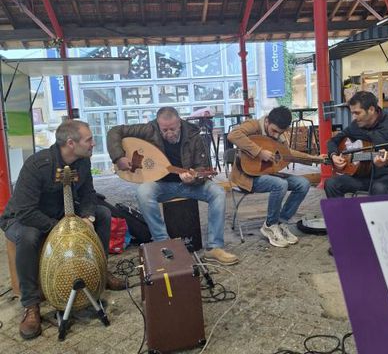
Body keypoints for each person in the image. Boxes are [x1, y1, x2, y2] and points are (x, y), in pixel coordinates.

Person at [0, 120, 125, 340]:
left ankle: (103, 273)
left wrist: (87, 217)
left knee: (104, 215)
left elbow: (88, 194)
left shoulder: (83, 162)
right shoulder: (36, 165)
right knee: (29, 237)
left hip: (61, 213)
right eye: (89, 139)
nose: (93, 144)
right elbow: (25, 211)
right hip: (23, 218)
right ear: (70, 143)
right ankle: (31, 305)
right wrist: (62, 229)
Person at [107, 106, 238, 266]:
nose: (169, 133)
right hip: (161, 185)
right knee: (143, 192)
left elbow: (202, 168)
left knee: (217, 192)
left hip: (188, 185)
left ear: (180, 123)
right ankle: (163, 244)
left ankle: (214, 247)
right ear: (158, 125)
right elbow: (114, 131)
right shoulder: (149, 129)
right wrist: (118, 157)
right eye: (165, 129)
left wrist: (193, 178)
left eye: (173, 129)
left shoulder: (193, 135)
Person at [227, 106, 310, 248]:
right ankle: (269, 225)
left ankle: (280, 222)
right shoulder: (254, 125)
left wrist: (314, 158)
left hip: (270, 174)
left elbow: (289, 154)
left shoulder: (279, 137)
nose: (277, 135)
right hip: (247, 176)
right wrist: (259, 152)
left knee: (303, 183)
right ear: (267, 121)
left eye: (281, 132)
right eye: (274, 131)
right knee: (280, 184)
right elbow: (233, 135)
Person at [325, 91, 388, 197]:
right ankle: (343, 214)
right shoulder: (355, 125)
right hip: (364, 176)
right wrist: (333, 155)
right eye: (352, 113)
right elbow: (333, 141)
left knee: (379, 188)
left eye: (357, 113)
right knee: (332, 184)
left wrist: (387, 162)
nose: (354, 117)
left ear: (371, 110)